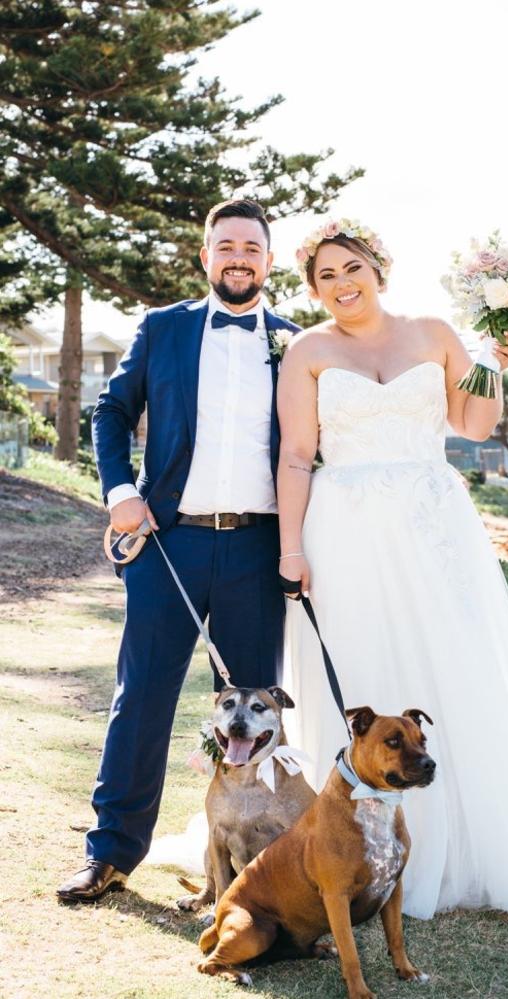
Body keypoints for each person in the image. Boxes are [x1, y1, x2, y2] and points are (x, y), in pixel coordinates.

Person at [277, 219, 508, 919]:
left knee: (455, 667)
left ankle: (466, 848)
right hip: (344, 528)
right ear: (314, 289)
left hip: (432, 523)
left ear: (379, 267)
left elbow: (474, 424)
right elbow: (296, 455)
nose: (341, 284)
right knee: (365, 661)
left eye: (352, 267)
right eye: (325, 276)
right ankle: (347, 851)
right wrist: (292, 548)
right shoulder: (306, 350)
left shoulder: (432, 333)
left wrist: (493, 362)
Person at [57, 199, 299, 903]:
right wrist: (119, 490)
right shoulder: (164, 328)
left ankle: (260, 872)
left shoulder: (295, 342)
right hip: (169, 543)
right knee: (143, 699)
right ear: (205, 256)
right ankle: (109, 853)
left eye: (251, 247)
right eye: (225, 246)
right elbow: (111, 409)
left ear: (269, 260)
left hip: (258, 549)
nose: (238, 257)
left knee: (257, 714)